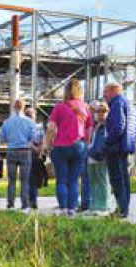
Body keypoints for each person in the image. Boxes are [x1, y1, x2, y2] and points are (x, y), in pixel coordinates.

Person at [42, 78, 93, 216]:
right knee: (74, 180)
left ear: (65, 91)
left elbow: (51, 128)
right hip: (79, 146)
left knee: (62, 180)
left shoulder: (59, 107)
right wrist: (86, 144)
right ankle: (72, 209)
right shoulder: (86, 108)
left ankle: (63, 208)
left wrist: (46, 145)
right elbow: (89, 129)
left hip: (61, 147)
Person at [104, 82, 136, 219]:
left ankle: (121, 209)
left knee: (116, 179)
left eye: (106, 92)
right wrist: (128, 140)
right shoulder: (130, 105)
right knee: (124, 179)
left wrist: (108, 140)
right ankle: (124, 208)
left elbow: (119, 125)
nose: (104, 96)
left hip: (115, 148)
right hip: (126, 147)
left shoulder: (117, 103)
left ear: (113, 91)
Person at [0, 98, 36, 210]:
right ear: (24, 107)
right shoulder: (30, 122)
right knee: (24, 180)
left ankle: (10, 204)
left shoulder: (6, 122)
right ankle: (25, 205)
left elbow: (2, 139)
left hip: (11, 151)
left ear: (14, 107)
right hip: (25, 150)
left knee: (11, 180)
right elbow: (33, 138)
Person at [86, 100, 111, 216]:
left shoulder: (108, 126)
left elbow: (106, 142)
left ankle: (104, 206)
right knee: (93, 182)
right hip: (92, 156)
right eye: (98, 112)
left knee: (102, 181)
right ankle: (95, 205)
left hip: (102, 157)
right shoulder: (96, 126)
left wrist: (101, 152)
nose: (100, 114)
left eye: (103, 112)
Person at [26, 107, 44, 210]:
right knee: (36, 178)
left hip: (29, 152)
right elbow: (42, 140)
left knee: (30, 178)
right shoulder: (39, 127)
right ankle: (34, 200)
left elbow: (26, 140)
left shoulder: (25, 126)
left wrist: (35, 149)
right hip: (37, 154)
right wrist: (39, 150)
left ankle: (30, 200)